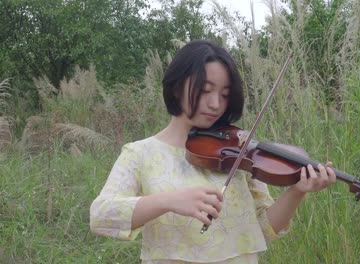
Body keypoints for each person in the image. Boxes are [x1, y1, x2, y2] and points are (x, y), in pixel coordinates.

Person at [90, 39, 336, 264]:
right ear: (176, 86)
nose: (216, 104)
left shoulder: (237, 152)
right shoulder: (140, 153)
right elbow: (101, 216)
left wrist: (296, 191)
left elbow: (264, 228)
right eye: (206, 90)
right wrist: (170, 201)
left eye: (225, 94)